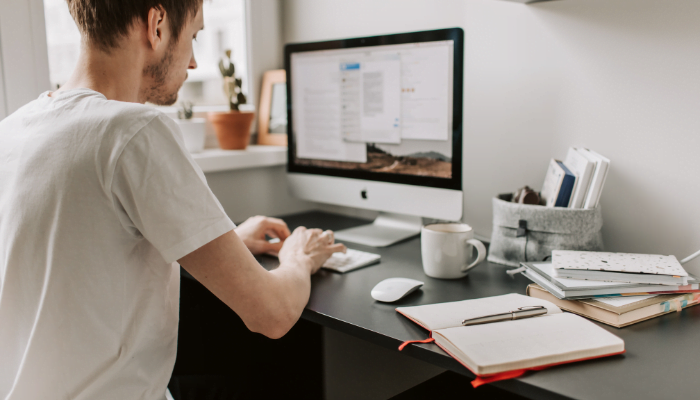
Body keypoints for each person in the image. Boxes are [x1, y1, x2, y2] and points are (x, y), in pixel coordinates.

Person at [0, 1, 345, 399]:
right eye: (194, 36)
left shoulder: (12, 131)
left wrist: (226, 238)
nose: (195, 63)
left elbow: (81, 254)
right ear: (157, 24)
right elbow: (273, 315)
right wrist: (298, 257)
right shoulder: (134, 131)